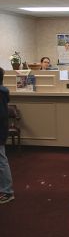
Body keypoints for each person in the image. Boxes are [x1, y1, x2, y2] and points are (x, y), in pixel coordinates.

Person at [0, 67, 14, 204]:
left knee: (1, 160)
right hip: (2, 128)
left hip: (0, 129)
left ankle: (7, 191)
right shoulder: (4, 90)